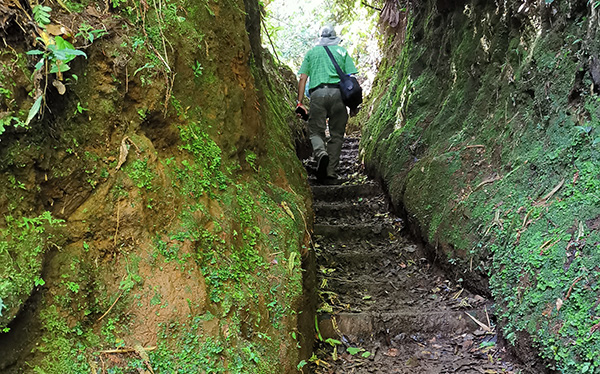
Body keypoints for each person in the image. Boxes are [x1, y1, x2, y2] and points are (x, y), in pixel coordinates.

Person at [296, 25, 358, 183]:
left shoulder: (311, 53)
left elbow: (303, 78)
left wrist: (300, 102)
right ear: (334, 38)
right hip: (338, 95)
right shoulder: (342, 51)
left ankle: (321, 153)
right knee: (337, 135)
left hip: (317, 95)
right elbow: (351, 79)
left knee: (316, 132)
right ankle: (330, 172)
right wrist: (353, 104)